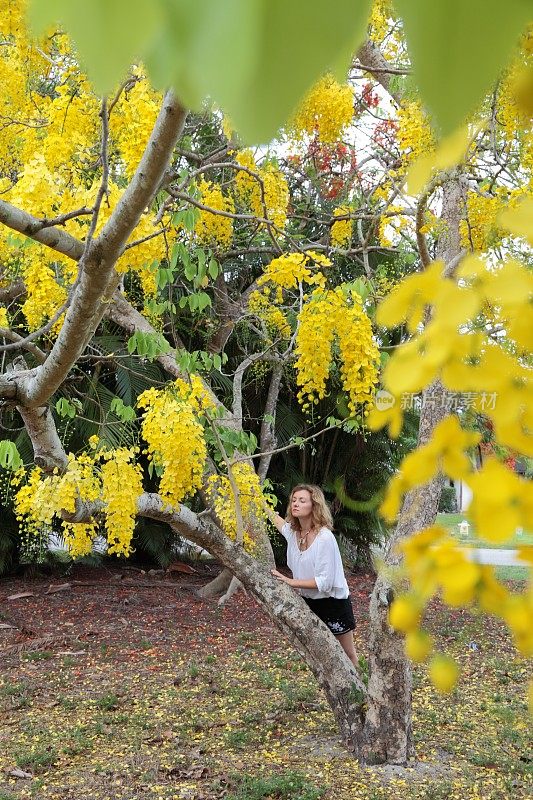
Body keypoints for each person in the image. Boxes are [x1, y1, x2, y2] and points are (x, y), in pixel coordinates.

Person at [269, 483, 358, 668]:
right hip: (308, 603)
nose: (296, 504)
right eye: (294, 500)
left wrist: (291, 582)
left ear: (314, 505)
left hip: (333, 603)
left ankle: (362, 692)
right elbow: (277, 520)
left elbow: (325, 582)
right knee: (322, 658)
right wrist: (255, 498)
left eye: (302, 500)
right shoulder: (293, 533)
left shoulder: (324, 538)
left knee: (348, 655)